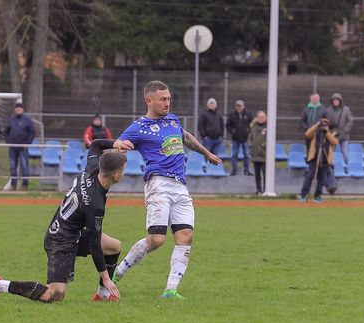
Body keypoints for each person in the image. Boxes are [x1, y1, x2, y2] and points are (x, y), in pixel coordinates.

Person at [0, 138, 134, 303]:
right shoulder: (95, 204)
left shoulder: (92, 168)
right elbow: (94, 244)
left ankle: (102, 295)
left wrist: (115, 143)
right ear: (116, 175)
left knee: (114, 246)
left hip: (73, 232)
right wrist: (106, 278)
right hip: (60, 240)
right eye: (123, 169)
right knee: (54, 295)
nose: (123, 173)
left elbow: (95, 145)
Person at [113, 80, 222, 299]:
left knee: (186, 236)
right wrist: (120, 146)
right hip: (158, 184)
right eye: (163, 99)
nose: (167, 103)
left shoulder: (172, 119)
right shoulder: (139, 126)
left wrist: (207, 153)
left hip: (180, 185)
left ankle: (171, 290)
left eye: (169, 99)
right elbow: (118, 142)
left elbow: (186, 137)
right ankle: (118, 272)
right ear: (149, 100)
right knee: (156, 240)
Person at [299, 118, 339, 203]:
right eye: (323, 123)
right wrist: (317, 125)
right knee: (309, 176)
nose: (324, 125)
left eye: (326, 124)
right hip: (314, 158)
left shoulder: (329, 133)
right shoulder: (315, 132)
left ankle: (317, 196)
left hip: (325, 160)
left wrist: (326, 132)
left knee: (321, 179)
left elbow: (335, 142)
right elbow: (307, 134)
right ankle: (303, 195)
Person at [4, 103, 35, 191]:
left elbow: (32, 132)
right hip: (13, 148)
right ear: (15, 110)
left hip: (23, 147)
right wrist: (8, 142)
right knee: (13, 166)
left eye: (20, 108)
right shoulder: (11, 119)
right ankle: (13, 185)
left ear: (23, 110)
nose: (18, 110)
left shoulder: (27, 120)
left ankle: (25, 185)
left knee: (25, 166)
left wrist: (27, 143)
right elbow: (6, 132)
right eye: (17, 108)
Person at [226, 100, 253, 176]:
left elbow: (252, 124)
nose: (238, 107)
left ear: (243, 106)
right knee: (234, 154)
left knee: (247, 155)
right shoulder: (231, 115)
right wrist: (233, 132)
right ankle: (234, 170)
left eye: (240, 106)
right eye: (237, 106)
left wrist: (248, 131)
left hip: (245, 138)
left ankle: (246, 171)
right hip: (235, 138)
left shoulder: (248, 114)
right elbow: (228, 126)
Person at [326, 93, 354, 163]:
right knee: (332, 152)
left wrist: (345, 130)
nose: (335, 102)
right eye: (334, 100)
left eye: (337, 100)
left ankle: (347, 166)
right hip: (334, 135)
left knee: (344, 151)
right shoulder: (328, 111)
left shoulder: (346, 109)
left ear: (340, 101)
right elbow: (326, 123)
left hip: (344, 135)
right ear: (332, 101)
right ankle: (332, 165)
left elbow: (351, 121)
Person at [248, 111, 267, 195]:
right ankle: (258, 190)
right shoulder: (254, 127)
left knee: (265, 173)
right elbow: (249, 138)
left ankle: (266, 189)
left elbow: (271, 138)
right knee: (257, 173)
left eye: (263, 117)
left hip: (264, 155)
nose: (261, 118)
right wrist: (251, 146)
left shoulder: (269, 127)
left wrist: (263, 146)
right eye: (260, 117)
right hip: (255, 154)